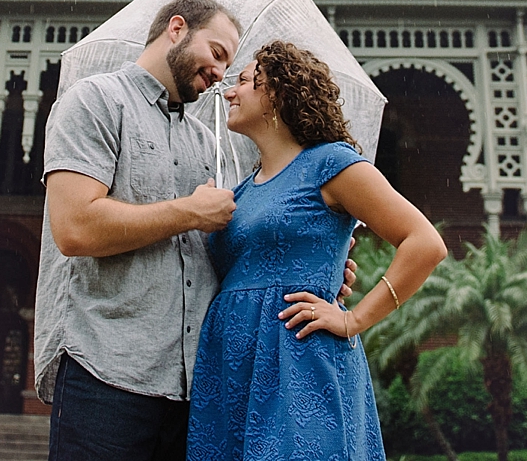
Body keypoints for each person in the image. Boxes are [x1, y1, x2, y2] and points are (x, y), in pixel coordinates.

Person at [188, 41, 448, 461]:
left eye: (242, 81)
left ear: (277, 92)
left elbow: (425, 243)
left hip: (299, 357)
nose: (228, 92)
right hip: (230, 366)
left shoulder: (331, 164)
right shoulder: (237, 190)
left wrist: (354, 319)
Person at [36, 0, 249, 461]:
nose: (219, 74)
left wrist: (318, 267)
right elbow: (75, 228)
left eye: (228, 65)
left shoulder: (207, 143)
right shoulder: (94, 101)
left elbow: (224, 251)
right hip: (106, 376)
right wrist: (189, 212)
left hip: (192, 391)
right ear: (177, 29)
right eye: (216, 53)